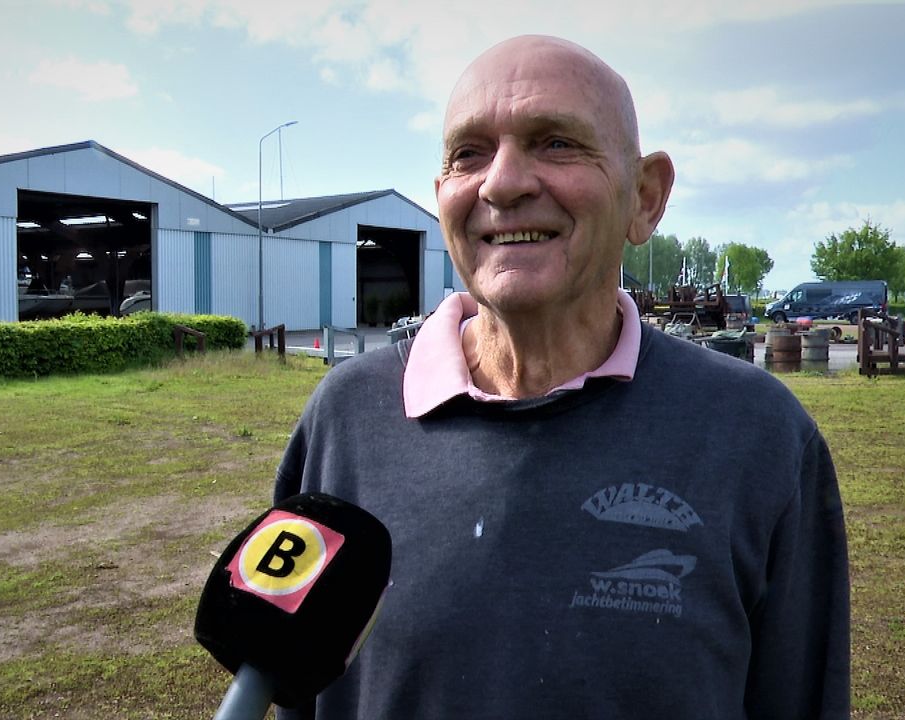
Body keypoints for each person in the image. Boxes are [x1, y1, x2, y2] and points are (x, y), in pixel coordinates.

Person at [275, 35, 849, 719]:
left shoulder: (758, 435)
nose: (502, 182)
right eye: (469, 154)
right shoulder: (345, 419)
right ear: (442, 198)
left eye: (555, 143)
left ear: (645, 197)